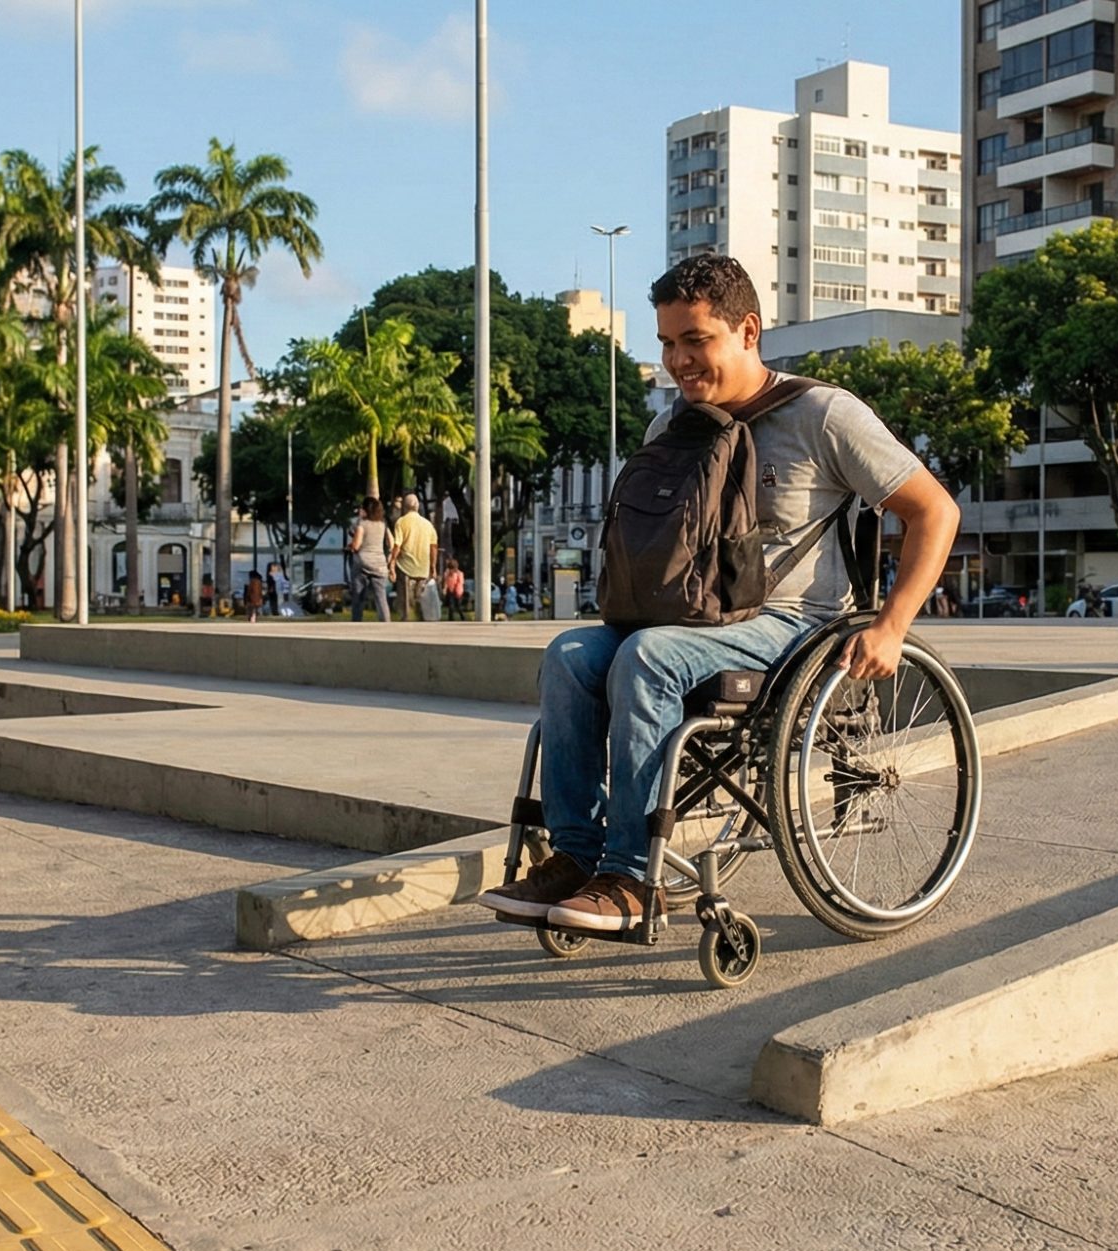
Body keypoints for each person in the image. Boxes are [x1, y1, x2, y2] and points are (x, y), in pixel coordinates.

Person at [475, 254, 961, 935]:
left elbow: (934, 512)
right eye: (668, 344)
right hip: (684, 617)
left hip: (793, 625)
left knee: (649, 656)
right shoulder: (670, 431)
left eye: (695, 340)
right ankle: (576, 859)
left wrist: (891, 626)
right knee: (568, 655)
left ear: (748, 331)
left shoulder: (822, 415)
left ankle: (631, 876)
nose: (678, 361)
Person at [390, 494, 438, 622]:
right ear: (417, 506)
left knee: (405, 598)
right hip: (423, 568)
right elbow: (433, 548)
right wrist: (433, 568)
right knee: (421, 598)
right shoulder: (428, 525)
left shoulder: (401, 522)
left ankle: (406, 617)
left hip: (405, 567)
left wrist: (392, 564)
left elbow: (397, 546)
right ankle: (422, 618)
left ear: (405, 507)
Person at [347, 498, 393, 622]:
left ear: (366, 510)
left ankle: (357, 622)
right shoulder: (383, 524)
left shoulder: (362, 524)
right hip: (379, 565)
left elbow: (356, 545)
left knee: (359, 597)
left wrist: (350, 547)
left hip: (363, 564)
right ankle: (386, 623)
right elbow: (391, 542)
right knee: (381, 598)